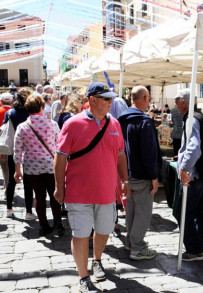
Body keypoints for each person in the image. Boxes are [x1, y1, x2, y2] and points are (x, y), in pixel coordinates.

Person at [54, 82, 130, 291]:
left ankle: (97, 260)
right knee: (80, 234)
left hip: (106, 192)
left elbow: (121, 154)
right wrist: (59, 187)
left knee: (104, 230)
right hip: (78, 192)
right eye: (106, 98)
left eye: (111, 98)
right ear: (93, 100)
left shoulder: (114, 124)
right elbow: (60, 158)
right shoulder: (73, 123)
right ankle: (83, 277)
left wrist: (124, 180)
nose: (110, 102)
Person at [173, 88, 203, 261]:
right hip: (197, 174)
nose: (175, 105)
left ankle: (195, 249)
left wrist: (184, 168)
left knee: (183, 212)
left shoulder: (192, 118)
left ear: (183, 101)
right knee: (195, 212)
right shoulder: (196, 116)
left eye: (176, 101)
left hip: (193, 176)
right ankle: (199, 248)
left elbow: (194, 148)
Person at [118, 85, 161, 260]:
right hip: (141, 174)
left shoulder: (121, 120)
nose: (149, 101)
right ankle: (137, 247)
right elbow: (149, 153)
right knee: (142, 212)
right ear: (144, 99)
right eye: (149, 98)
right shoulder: (144, 121)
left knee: (132, 210)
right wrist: (154, 176)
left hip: (126, 173)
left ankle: (130, 241)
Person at [13, 94, 63, 236]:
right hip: (50, 165)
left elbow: (17, 150)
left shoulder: (22, 127)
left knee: (39, 197)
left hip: (31, 167)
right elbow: (59, 145)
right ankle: (58, 223)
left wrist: (17, 170)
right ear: (42, 107)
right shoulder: (52, 124)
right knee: (55, 195)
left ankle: (43, 225)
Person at [3, 89, 35, 220]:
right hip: (29, 149)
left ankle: (9, 209)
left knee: (11, 179)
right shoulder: (31, 112)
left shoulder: (9, 113)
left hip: (13, 148)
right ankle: (28, 212)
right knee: (28, 182)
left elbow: (4, 130)